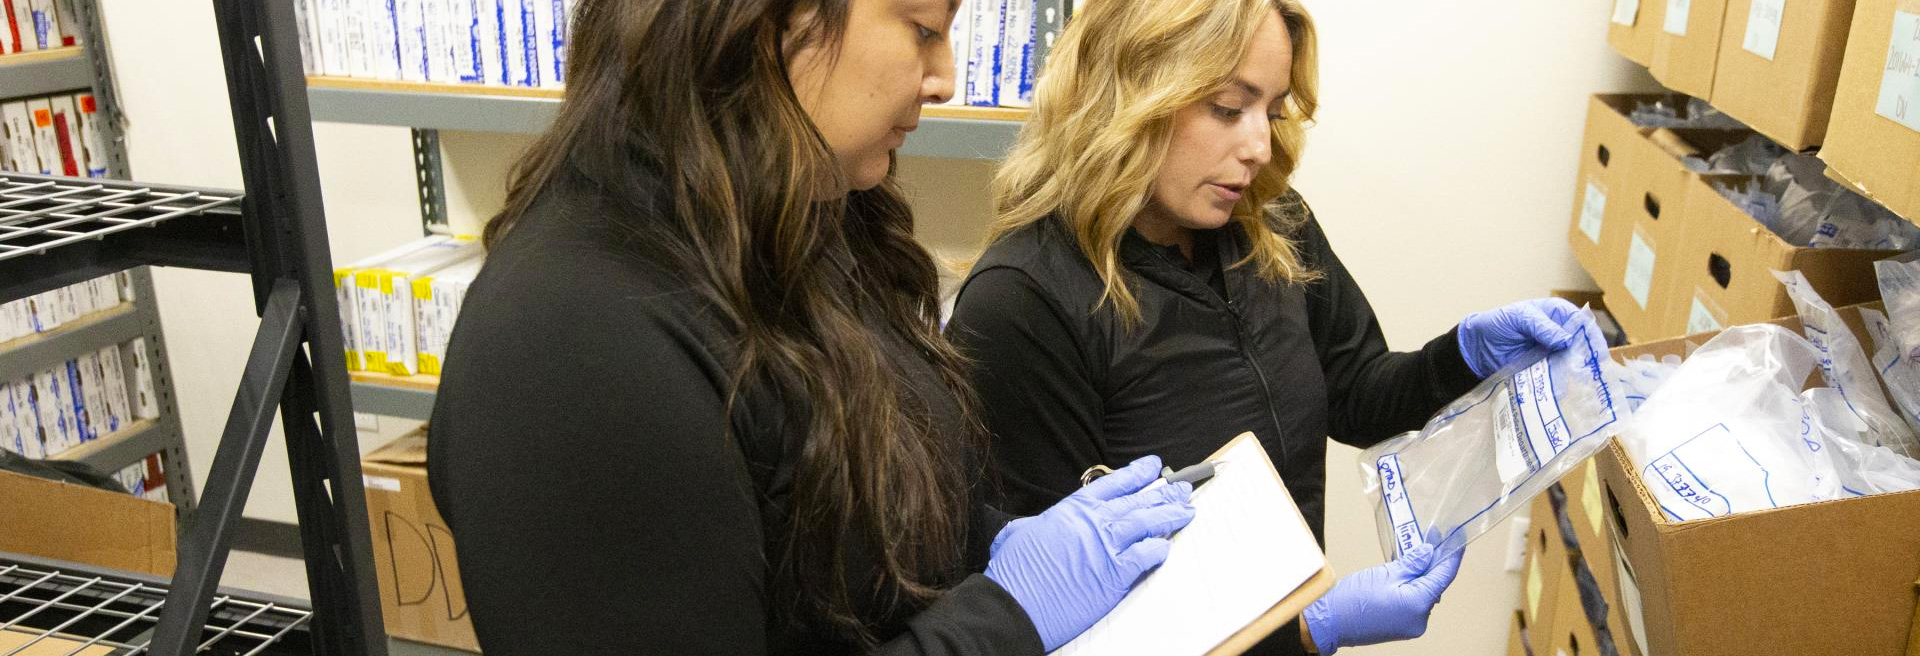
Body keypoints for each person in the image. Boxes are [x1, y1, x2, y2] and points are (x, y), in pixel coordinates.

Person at [425, 0, 1198, 653]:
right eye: (924, 29)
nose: (946, 76)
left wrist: (1001, 543)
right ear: (776, 25)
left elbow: (852, 532)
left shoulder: (791, 220)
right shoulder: (574, 343)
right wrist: (1006, 616)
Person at [944, 1, 1592, 654]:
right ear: (1128, 93)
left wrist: (1462, 357)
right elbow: (1064, 630)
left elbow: (1355, 391)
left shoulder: (1269, 226)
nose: (1259, 147)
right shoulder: (1023, 304)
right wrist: (1308, 629)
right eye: (1229, 108)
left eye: (1272, 111)